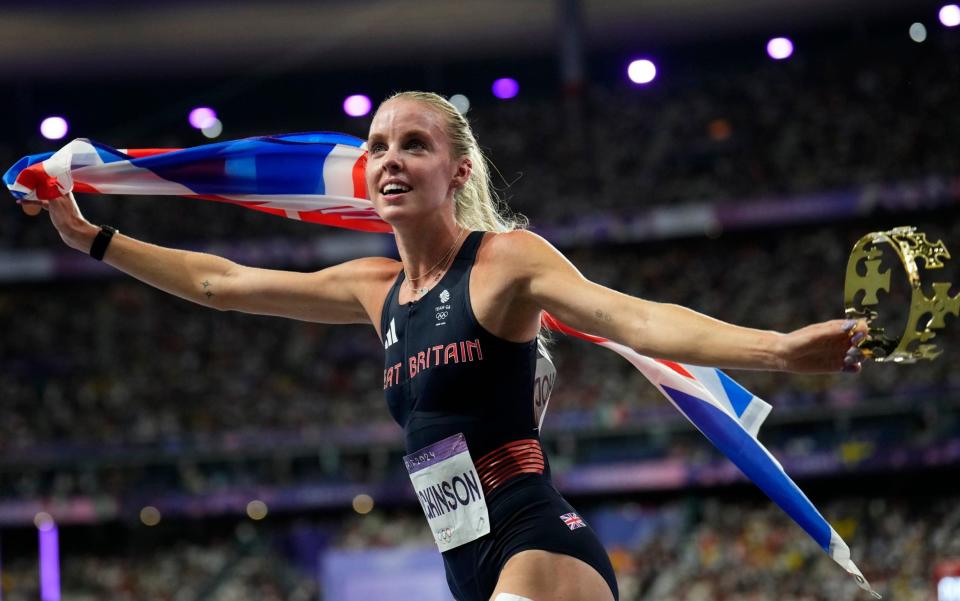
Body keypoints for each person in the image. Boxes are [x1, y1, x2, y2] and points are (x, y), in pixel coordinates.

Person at [27, 91, 866, 601]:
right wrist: (95, 239)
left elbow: (634, 318)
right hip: (465, 561)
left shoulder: (504, 265)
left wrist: (783, 350)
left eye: (414, 145)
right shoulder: (372, 287)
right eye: (378, 146)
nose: (389, 159)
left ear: (457, 173)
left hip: (540, 548)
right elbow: (221, 283)